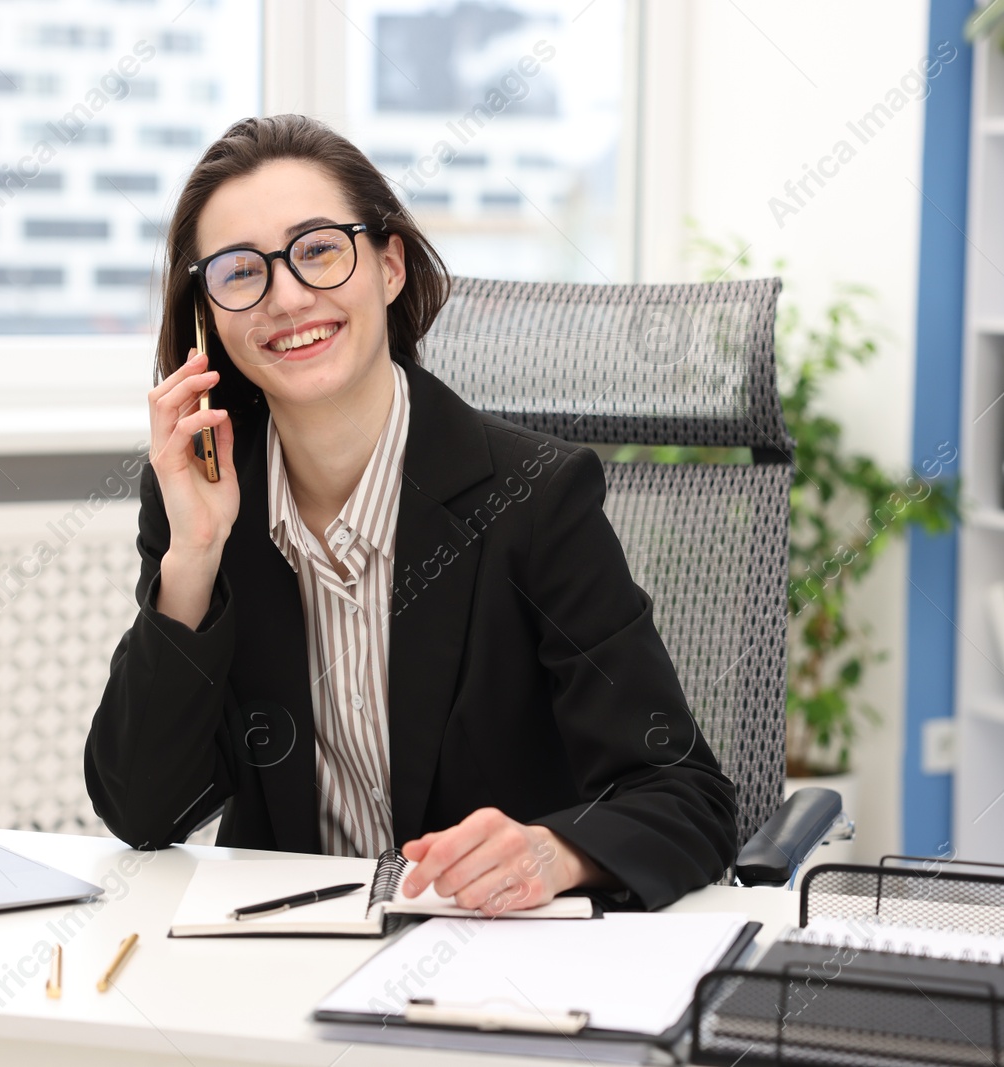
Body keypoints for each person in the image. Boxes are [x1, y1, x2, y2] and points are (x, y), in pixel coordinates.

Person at [84, 114, 737, 915]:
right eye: (240, 271)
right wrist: (193, 556)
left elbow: (687, 794)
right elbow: (145, 812)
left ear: (389, 266)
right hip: (283, 970)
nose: (287, 297)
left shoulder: (536, 498)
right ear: (209, 313)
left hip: (494, 962)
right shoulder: (204, 504)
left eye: (319, 249)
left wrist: (555, 851)